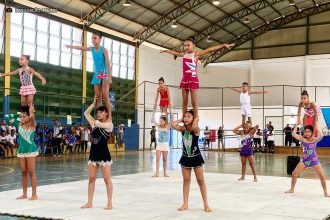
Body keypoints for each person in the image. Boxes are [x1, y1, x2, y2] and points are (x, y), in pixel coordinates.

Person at [161, 38, 234, 117]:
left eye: (188, 45)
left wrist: (223, 45)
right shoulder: (183, 54)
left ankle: (196, 118)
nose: (186, 47)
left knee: (194, 102)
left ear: (193, 46)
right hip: (185, 80)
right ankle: (183, 117)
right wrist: (166, 51)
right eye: (184, 46)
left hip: (193, 80)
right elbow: (174, 52)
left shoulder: (196, 54)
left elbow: (209, 49)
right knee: (184, 102)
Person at [171, 110, 212, 212]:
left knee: (201, 181)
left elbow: (193, 127)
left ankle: (206, 205)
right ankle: (185, 204)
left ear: (193, 119)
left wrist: (196, 119)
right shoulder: (182, 129)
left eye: (188, 116)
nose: (186, 118)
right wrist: (181, 118)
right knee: (186, 181)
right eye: (185, 117)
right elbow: (172, 125)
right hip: (185, 158)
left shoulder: (196, 129)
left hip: (196, 157)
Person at [81, 96, 113, 210]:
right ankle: (89, 202)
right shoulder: (95, 123)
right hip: (93, 154)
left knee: (106, 179)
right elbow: (86, 113)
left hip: (104, 154)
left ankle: (109, 203)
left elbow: (100, 125)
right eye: (98, 112)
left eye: (101, 112)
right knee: (91, 178)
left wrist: (96, 122)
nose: (99, 113)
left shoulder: (109, 125)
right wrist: (93, 104)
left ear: (106, 114)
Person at [66, 31, 112, 108]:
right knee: (98, 96)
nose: (93, 40)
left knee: (105, 95)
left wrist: (109, 77)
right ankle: (100, 116)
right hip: (97, 73)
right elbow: (81, 48)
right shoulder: (92, 49)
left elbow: (108, 63)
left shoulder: (104, 50)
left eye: (95, 38)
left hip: (105, 72)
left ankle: (109, 116)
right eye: (92, 38)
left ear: (100, 39)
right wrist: (71, 46)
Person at [285, 123, 330, 197]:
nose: (307, 133)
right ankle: (292, 189)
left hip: (314, 160)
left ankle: (326, 192)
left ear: (312, 133)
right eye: (305, 131)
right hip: (304, 161)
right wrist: (296, 125)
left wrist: (316, 127)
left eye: (309, 132)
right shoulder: (303, 139)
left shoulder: (315, 139)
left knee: (322, 176)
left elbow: (321, 135)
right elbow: (293, 134)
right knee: (294, 174)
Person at [6, 105, 39, 200]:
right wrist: (18, 114)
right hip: (22, 150)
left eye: (24, 116)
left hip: (30, 150)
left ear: (29, 117)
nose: (22, 118)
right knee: (23, 172)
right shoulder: (18, 124)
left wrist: (31, 112)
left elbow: (32, 117)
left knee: (31, 172)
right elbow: (7, 116)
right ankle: (24, 194)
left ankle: (34, 194)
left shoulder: (32, 124)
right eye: (21, 117)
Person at [152, 108, 173, 177]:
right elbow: (154, 119)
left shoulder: (168, 127)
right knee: (157, 159)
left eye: (161, 121)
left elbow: (172, 118)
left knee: (164, 159)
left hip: (165, 145)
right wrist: (154, 110)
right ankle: (157, 173)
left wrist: (170, 110)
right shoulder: (158, 126)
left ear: (164, 121)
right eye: (160, 121)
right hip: (159, 145)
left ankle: (165, 173)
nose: (160, 122)